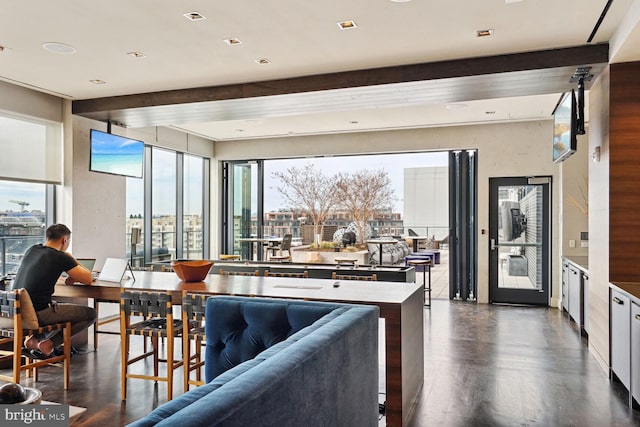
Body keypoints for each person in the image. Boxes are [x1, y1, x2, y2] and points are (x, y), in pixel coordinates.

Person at [13, 224, 96, 359]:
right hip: (37, 313)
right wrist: (70, 257)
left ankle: (35, 339)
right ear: (64, 240)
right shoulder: (60, 256)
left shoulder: (32, 249)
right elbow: (88, 279)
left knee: (57, 307)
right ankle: (50, 344)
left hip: (17, 312)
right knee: (91, 314)